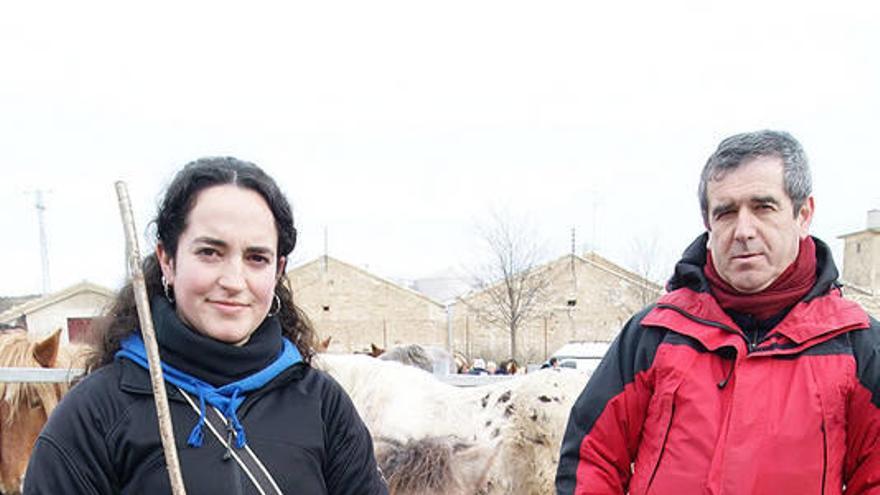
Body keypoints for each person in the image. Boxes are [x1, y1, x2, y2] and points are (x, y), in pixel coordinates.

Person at [24, 157, 388, 494]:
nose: (233, 280)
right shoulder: (94, 416)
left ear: (277, 272)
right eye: (210, 253)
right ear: (167, 260)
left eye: (256, 258)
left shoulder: (324, 408)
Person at [556, 130, 880, 494]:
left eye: (763, 207)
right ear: (709, 224)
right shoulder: (653, 333)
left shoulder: (858, 345)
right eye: (726, 212)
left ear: (803, 214)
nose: (743, 230)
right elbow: (591, 458)